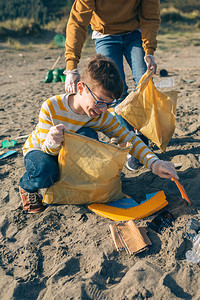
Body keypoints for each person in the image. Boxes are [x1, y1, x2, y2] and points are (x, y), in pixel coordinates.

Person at [19, 55, 178, 214]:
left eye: (109, 104)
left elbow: (128, 138)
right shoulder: (51, 107)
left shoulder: (101, 115)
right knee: (46, 171)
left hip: (70, 155)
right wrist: (53, 141)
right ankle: (26, 187)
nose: (103, 109)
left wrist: (154, 163)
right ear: (80, 88)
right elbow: (47, 150)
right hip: (42, 150)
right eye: (100, 101)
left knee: (88, 135)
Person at [64, 0, 161, 170]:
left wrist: (149, 51)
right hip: (105, 35)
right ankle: (130, 144)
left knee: (144, 84)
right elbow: (77, 23)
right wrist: (71, 66)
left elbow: (150, 16)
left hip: (135, 32)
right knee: (116, 92)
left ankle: (142, 133)